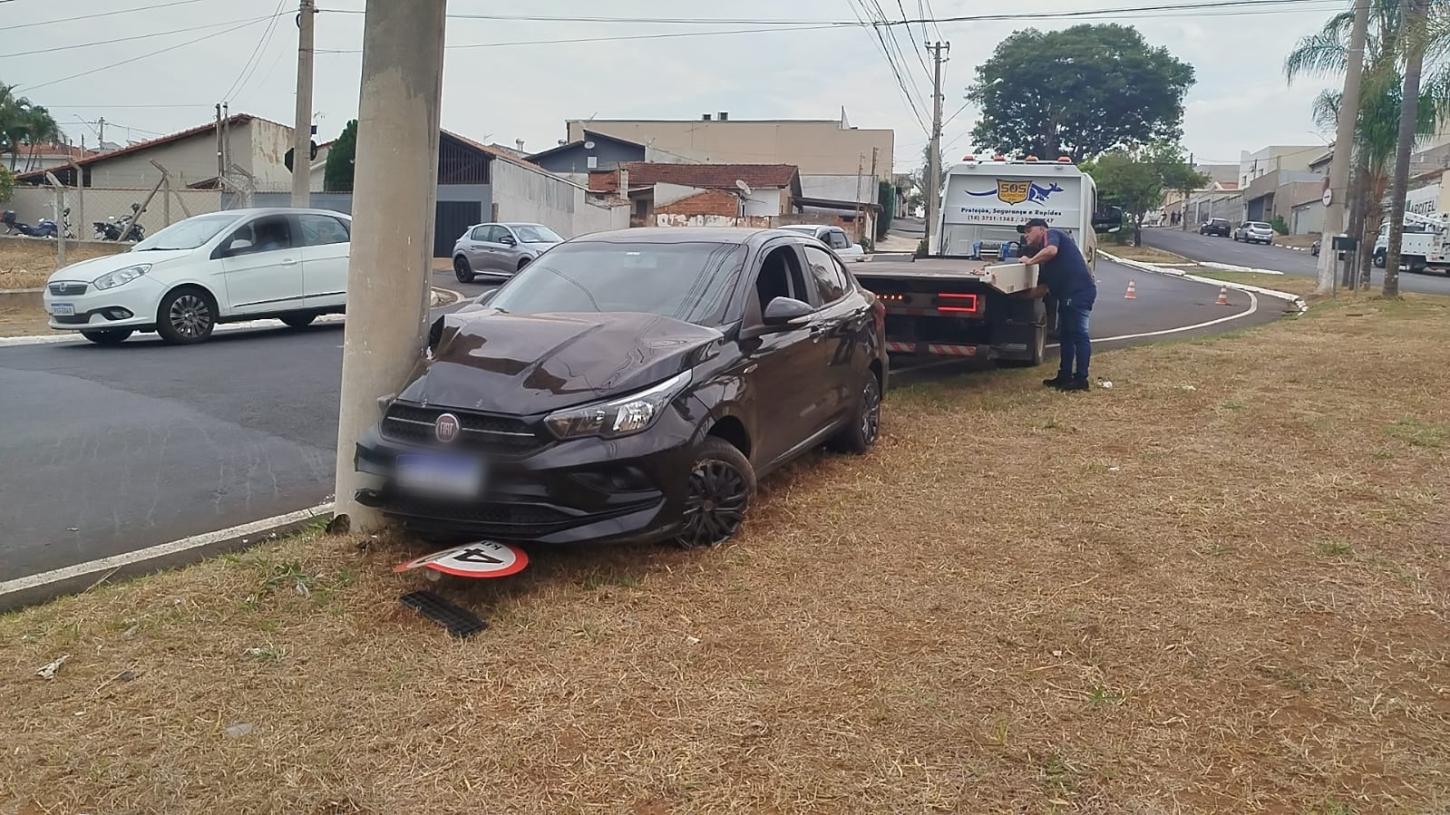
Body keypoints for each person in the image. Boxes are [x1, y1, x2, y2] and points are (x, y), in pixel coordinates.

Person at [1018, 217, 1097, 391]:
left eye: (1028, 231)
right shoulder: (1044, 260)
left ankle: (1081, 379)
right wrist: (1016, 296)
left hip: (1079, 293)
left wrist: (1030, 261)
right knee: (1066, 336)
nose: (1026, 236)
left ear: (1041, 229)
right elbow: (1042, 289)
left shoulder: (1052, 235)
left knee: (1079, 334)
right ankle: (1065, 375)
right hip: (1067, 295)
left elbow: (1052, 250)